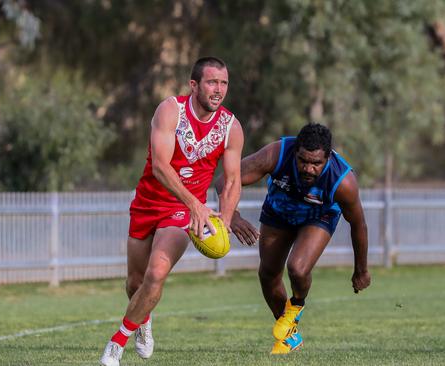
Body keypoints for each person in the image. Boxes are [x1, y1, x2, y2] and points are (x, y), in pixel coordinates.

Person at [100, 57, 244, 366]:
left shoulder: (231, 127)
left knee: (156, 273)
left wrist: (226, 219)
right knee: (135, 283)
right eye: (211, 82)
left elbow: (232, 180)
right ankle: (144, 319)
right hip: (149, 203)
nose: (218, 90)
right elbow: (160, 167)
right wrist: (196, 202)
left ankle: (118, 341)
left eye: (223, 83)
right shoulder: (170, 111)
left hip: (181, 212)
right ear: (194, 85)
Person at [215, 122, 370, 354]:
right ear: (295, 151)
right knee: (267, 274)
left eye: (316, 163)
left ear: (328, 158)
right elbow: (225, 180)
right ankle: (290, 336)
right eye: (303, 161)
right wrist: (232, 216)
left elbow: (358, 225)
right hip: (278, 211)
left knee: (297, 268)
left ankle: (296, 306)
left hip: (319, 215)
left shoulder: (343, 181)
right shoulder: (276, 154)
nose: (308, 168)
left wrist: (361, 270)